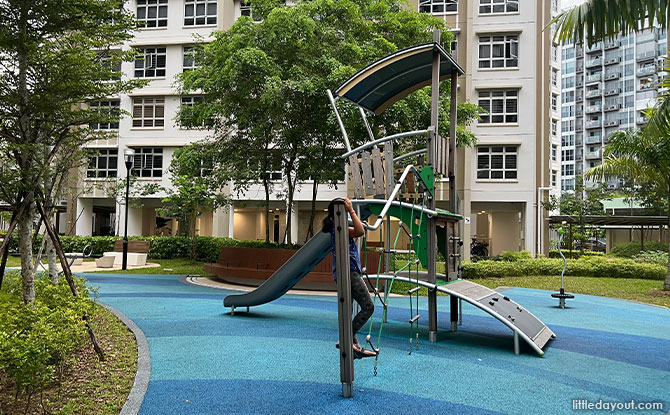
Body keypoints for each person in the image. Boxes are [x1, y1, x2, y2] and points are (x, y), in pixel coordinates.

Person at [323, 197, 376, 359]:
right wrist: (352, 210)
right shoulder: (338, 228)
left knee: (349, 310)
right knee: (368, 306)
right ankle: (346, 338)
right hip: (350, 272)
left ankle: (354, 345)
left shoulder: (338, 227)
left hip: (346, 272)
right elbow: (360, 232)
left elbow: (358, 231)